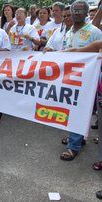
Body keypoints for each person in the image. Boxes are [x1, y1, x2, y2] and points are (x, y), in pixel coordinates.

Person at [59, 0, 102, 161]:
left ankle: (73, 146)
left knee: (78, 109)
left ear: (85, 13)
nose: (76, 13)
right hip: (69, 79)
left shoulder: (94, 32)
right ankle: (79, 136)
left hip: (87, 81)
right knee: (72, 110)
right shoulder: (69, 31)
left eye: (80, 10)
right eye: (74, 10)